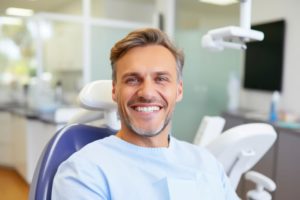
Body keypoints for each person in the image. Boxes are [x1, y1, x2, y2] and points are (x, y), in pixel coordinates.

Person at [52, 28, 239, 200]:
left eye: (161, 79)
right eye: (133, 80)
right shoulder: (84, 172)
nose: (147, 93)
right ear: (114, 91)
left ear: (179, 91)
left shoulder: (207, 164)